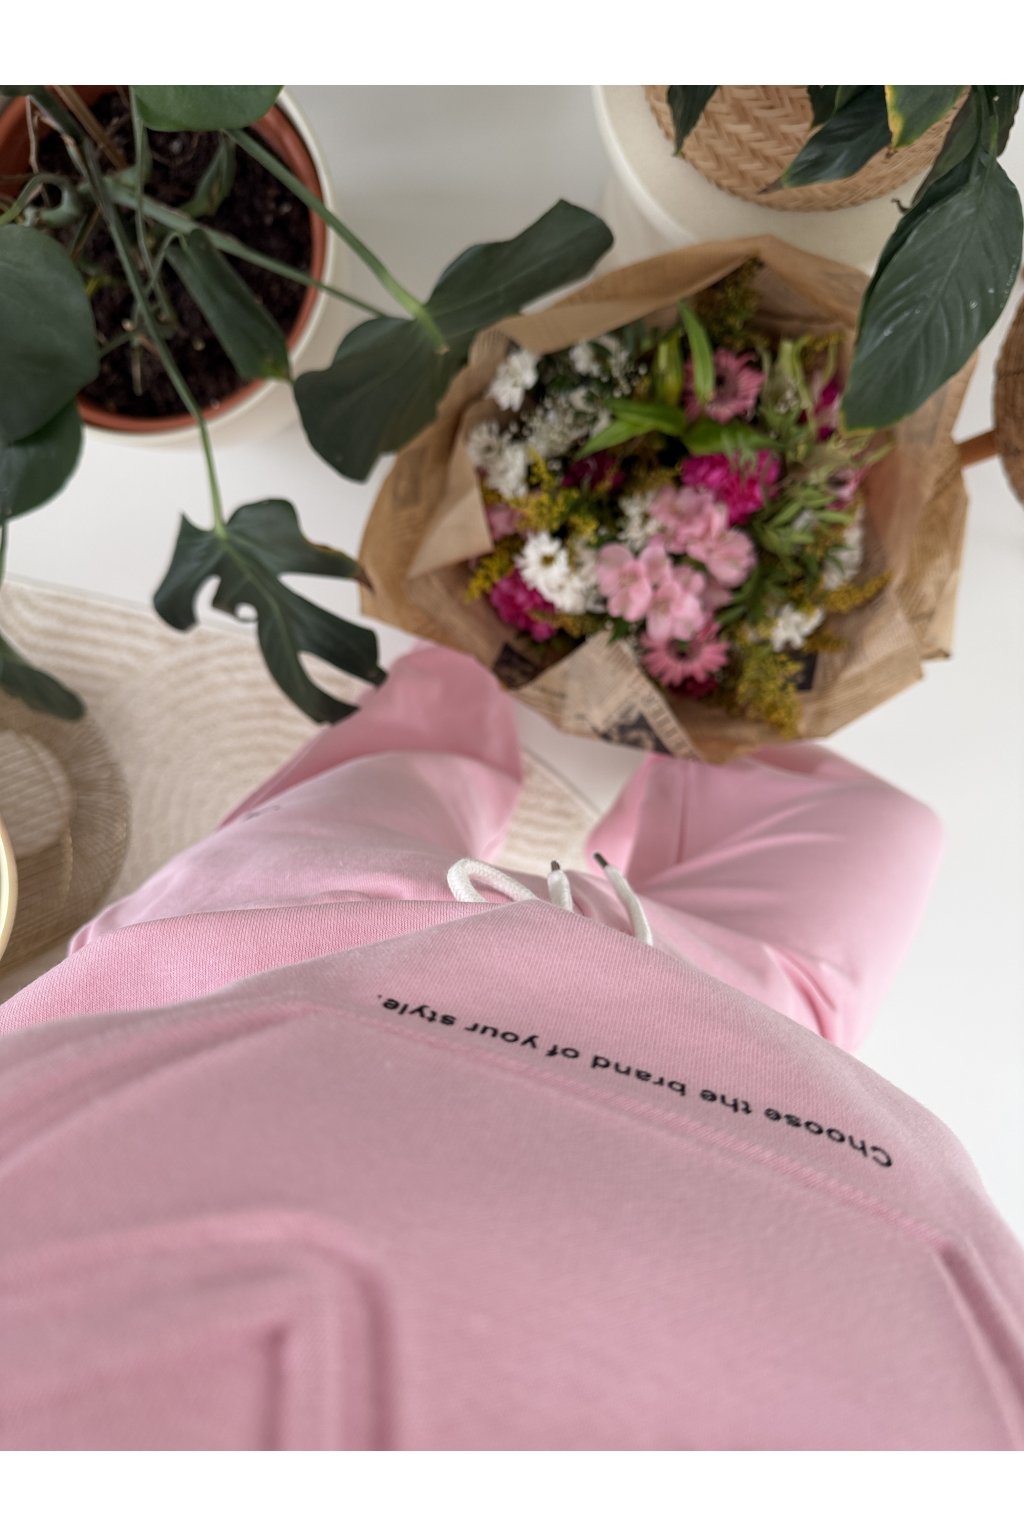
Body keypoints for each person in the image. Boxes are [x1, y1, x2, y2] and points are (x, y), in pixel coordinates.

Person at [0, 643, 1021, 1450]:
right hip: (767, 1079)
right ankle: (606, 714)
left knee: (428, 721)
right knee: (879, 828)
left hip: (278, 943)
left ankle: (482, 687)